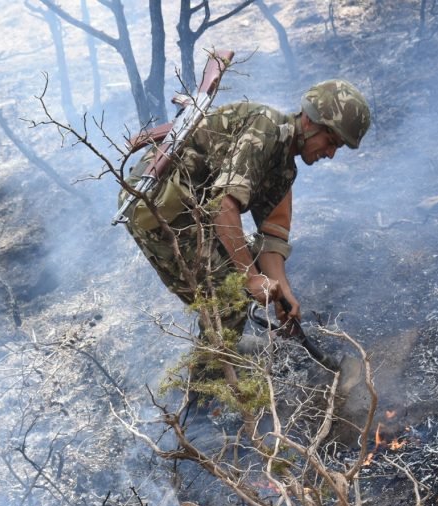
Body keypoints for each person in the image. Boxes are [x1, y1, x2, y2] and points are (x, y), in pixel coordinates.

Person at [119, 79, 372, 364]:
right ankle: (204, 397)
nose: (331, 153)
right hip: (159, 207)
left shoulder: (284, 168)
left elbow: (272, 237)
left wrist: (282, 295)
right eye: (331, 142)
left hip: (193, 210)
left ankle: (225, 349)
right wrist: (251, 278)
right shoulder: (268, 129)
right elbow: (224, 207)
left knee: (243, 270)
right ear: (312, 122)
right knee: (229, 304)